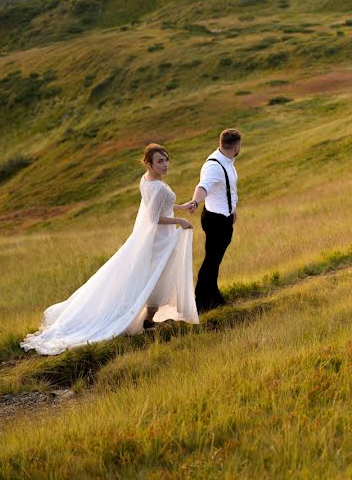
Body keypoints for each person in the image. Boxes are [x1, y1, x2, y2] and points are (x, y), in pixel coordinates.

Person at [21, 144, 199, 356]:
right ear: (148, 164)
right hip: (158, 240)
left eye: (167, 160)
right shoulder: (158, 187)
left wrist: (181, 207)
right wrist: (180, 220)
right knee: (156, 278)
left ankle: (148, 320)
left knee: (151, 277)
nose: (165, 165)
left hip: (150, 239)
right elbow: (153, 218)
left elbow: (158, 206)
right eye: (160, 161)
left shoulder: (146, 180)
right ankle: (146, 321)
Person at [184, 129, 241, 313]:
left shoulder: (227, 161)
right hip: (215, 220)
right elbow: (203, 186)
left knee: (214, 260)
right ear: (237, 146)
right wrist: (195, 201)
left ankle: (212, 297)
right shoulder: (214, 166)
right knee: (211, 260)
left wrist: (233, 210)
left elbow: (227, 189)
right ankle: (201, 302)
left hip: (223, 217)